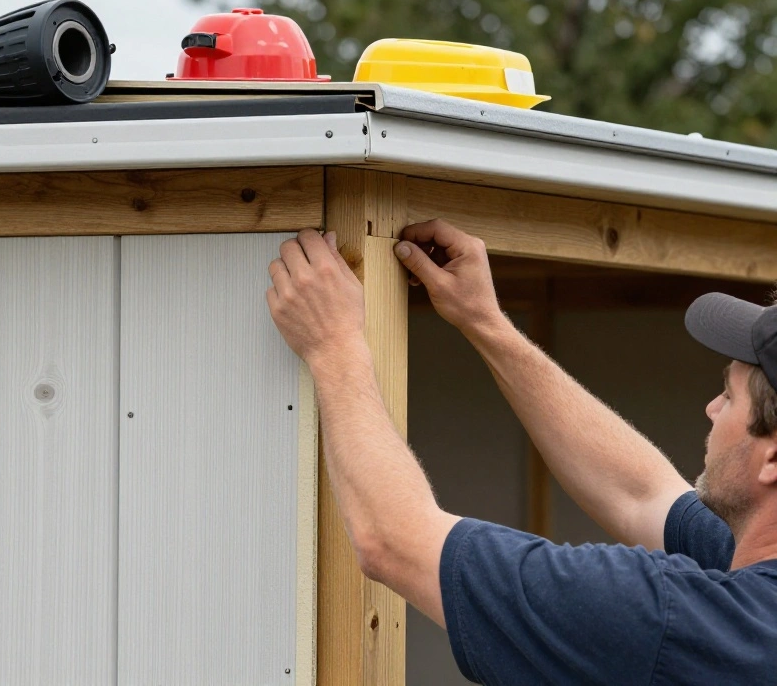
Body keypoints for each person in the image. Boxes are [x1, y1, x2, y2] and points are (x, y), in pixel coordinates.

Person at [266, 219, 777, 685]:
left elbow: (394, 540)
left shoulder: (679, 622)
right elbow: (638, 492)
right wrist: (486, 323)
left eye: (730, 396)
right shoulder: (749, 593)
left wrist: (333, 347)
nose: (712, 409)